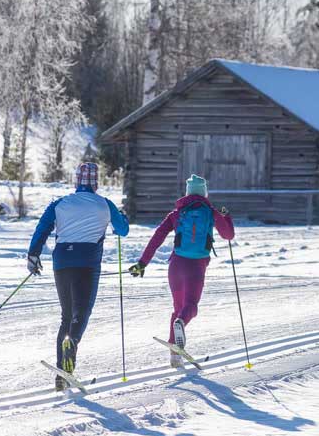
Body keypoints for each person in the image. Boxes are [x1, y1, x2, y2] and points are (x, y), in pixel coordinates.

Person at [27, 162, 129, 390]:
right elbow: (122, 230)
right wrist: (122, 216)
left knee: (66, 315)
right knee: (81, 313)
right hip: (87, 262)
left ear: (76, 181)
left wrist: (33, 255)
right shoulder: (105, 204)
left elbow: (42, 229)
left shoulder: (60, 203)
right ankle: (69, 350)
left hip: (62, 260)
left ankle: (61, 374)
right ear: (96, 182)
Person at [128, 174, 234, 367]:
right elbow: (228, 235)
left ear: (187, 192)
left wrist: (142, 263)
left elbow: (157, 237)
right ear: (204, 192)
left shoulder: (177, 213)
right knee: (190, 307)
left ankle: (175, 355)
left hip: (176, 266)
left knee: (178, 309)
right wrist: (227, 216)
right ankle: (181, 324)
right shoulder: (211, 212)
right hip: (196, 266)